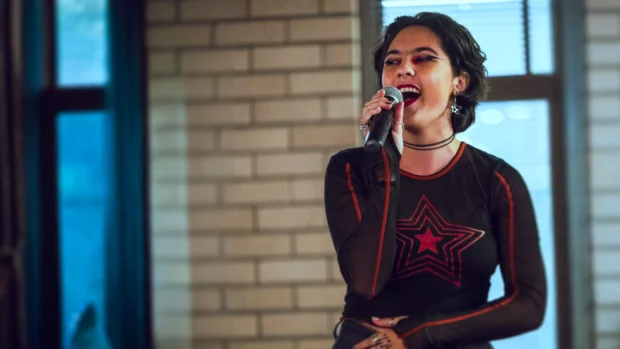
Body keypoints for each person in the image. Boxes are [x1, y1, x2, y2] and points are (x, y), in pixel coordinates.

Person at [323, 12, 547, 349]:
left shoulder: (497, 179)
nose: (404, 69)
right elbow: (366, 283)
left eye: (424, 58)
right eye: (392, 61)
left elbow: (528, 305)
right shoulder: (351, 168)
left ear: (460, 81)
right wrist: (387, 165)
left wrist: (417, 335)